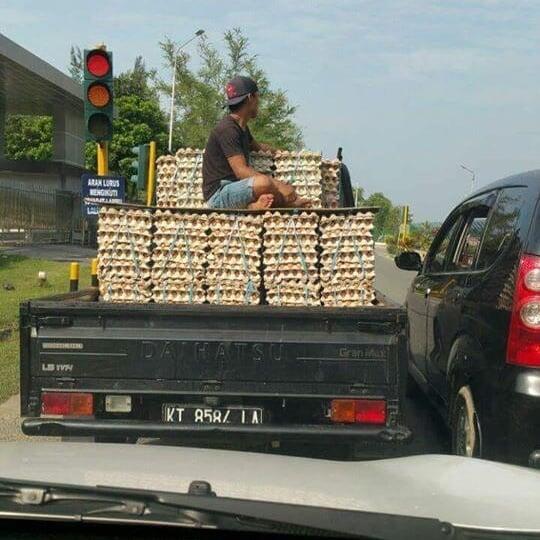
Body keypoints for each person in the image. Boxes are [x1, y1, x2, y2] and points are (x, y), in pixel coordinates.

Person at [202, 76, 310, 210]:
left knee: (264, 184)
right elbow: (241, 171)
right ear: (250, 98)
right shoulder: (227, 129)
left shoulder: (241, 128)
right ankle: (288, 203)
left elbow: (258, 147)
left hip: (236, 190)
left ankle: (252, 206)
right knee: (263, 182)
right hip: (219, 194)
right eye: (257, 97)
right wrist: (278, 185)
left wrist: (282, 153)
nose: (259, 102)